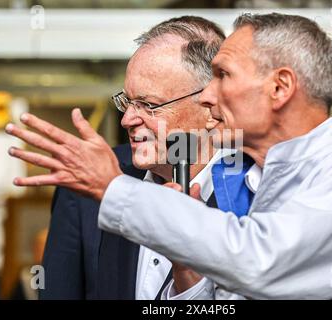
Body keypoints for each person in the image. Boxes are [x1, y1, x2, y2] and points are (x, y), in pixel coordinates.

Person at [6, 13, 332, 299]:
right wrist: (188, 272)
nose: (208, 94)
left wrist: (113, 187)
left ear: (280, 87)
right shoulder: (251, 177)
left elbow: (261, 262)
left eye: (223, 76)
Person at [36, 16, 232, 299]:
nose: (127, 119)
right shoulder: (86, 182)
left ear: (209, 107)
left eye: (149, 105)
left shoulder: (255, 190)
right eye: (127, 101)